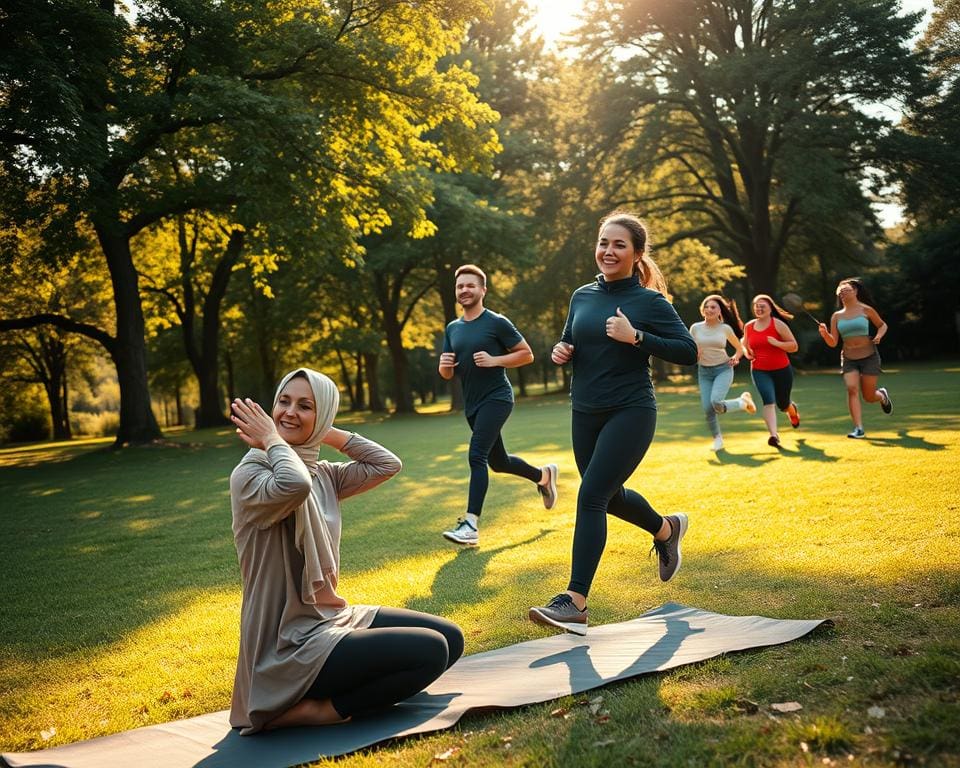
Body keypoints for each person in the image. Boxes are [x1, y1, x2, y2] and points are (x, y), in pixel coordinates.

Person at [228, 368, 463, 734]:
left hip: (330, 618)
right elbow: (294, 484)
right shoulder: (251, 475)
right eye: (283, 402)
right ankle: (322, 709)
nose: (289, 412)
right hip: (285, 645)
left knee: (451, 639)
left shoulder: (324, 474)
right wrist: (273, 438)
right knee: (431, 652)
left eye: (306, 406)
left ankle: (326, 689)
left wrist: (324, 430)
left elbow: (387, 464)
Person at [527, 211, 698, 636]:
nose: (608, 250)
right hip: (585, 411)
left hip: (631, 410)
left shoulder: (650, 302)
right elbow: (571, 339)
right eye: (604, 242)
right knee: (608, 496)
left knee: (590, 496)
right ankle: (666, 529)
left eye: (619, 244)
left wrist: (636, 336)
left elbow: (688, 351)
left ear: (637, 254)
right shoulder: (581, 295)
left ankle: (575, 602)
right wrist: (562, 351)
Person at [438, 264, 559, 547]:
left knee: (476, 455)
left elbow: (526, 354)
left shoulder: (497, 322)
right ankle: (543, 476)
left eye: (470, 285)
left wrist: (495, 360)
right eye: (460, 286)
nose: (464, 290)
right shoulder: (453, 328)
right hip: (473, 404)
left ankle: (470, 525)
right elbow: (447, 373)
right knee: (499, 462)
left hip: (497, 398)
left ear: (483, 290)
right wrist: (444, 366)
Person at [817, 278, 893, 438]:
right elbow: (833, 342)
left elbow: (882, 325)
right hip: (849, 358)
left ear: (856, 291)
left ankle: (882, 395)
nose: (843, 293)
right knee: (852, 389)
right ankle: (859, 428)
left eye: (846, 290)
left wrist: (879, 336)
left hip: (869, 356)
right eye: (840, 292)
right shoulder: (836, 316)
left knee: (869, 396)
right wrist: (825, 334)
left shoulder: (866, 309)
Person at [690, 294, 756, 451]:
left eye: (713, 307)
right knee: (708, 408)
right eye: (706, 306)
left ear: (720, 311)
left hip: (723, 369)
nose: (709, 309)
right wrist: (694, 353)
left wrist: (735, 357)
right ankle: (717, 439)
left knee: (716, 402)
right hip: (704, 371)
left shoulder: (725, 329)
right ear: (702, 310)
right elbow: (690, 347)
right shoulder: (695, 328)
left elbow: (740, 348)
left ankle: (742, 403)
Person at [741, 295, 800, 448]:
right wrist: (747, 353)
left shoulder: (778, 324)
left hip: (782, 370)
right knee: (768, 401)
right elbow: (745, 345)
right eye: (756, 306)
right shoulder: (749, 326)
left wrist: (777, 343)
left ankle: (792, 411)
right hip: (760, 370)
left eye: (762, 306)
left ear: (770, 308)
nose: (759, 309)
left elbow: (794, 346)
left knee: (783, 404)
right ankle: (774, 436)